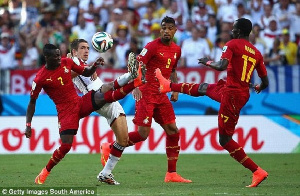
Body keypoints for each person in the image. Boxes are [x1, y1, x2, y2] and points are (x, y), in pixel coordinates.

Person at [155, 18, 269, 187]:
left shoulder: (232, 44)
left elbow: (221, 65)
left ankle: (257, 171)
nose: (231, 32)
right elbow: (265, 82)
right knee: (203, 87)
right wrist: (258, 86)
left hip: (232, 96)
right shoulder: (256, 52)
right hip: (237, 92)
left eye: (233, 29)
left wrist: (207, 62)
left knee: (224, 140)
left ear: (238, 31)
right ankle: (169, 85)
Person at [24, 43, 145, 185]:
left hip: (80, 102)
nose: (58, 58)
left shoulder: (66, 62)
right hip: (66, 112)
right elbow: (32, 102)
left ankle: (134, 81)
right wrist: (28, 125)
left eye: (59, 55)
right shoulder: (40, 78)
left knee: (105, 92)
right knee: (66, 146)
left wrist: (94, 65)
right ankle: (45, 171)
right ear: (46, 57)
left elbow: (86, 72)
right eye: (55, 56)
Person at [101, 16, 192, 183]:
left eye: (169, 28)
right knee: (143, 134)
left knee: (173, 131)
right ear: (160, 30)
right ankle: (110, 147)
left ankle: (171, 173)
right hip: (146, 94)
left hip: (161, 94)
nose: (166, 30)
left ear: (175, 30)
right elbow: (135, 65)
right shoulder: (151, 46)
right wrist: (135, 86)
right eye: (163, 27)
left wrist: (175, 88)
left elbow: (172, 70)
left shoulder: (177, 49)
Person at [69, 38, 138, 185]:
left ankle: (105, 173)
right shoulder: (73, 64)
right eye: (82, 48)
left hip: (106, 102)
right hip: (95, 96)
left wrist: (90, 67)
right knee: (110, 87)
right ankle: (131, 76)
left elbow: (84, 70)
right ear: (74, 52)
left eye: (87, 48)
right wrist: (82, 65)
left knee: (123, 140)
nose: (86, 50)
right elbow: (68, 73)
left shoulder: (83, 65)